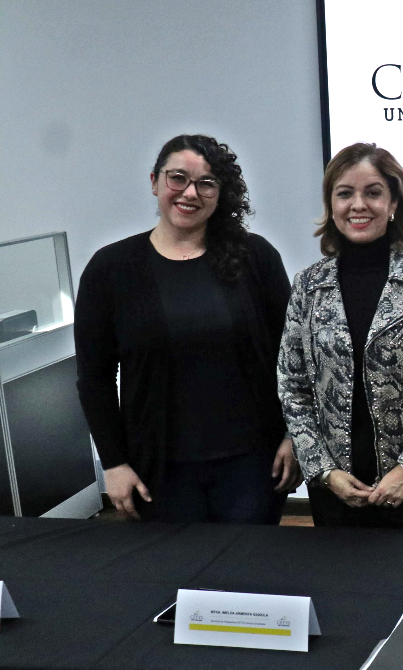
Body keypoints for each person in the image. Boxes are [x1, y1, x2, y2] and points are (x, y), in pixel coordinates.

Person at [74, 134, 299, 524]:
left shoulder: (256, 257)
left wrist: (294, 437)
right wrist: (114, 463)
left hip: (253, 464)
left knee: (249, 576)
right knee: (174, 579)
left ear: (220, 193)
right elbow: (94, 378)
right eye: (178, 178)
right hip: (157, 470)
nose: (189, 193)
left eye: (206, 183)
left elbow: (295, 358)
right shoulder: (111, 269)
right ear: (155, 182)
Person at [278, 143, 403, 529]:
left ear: (394, 203)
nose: (358, 204)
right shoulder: (308, 285)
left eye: (373, 192)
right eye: (345, 193)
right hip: (337, 488)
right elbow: (292, 385)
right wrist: (325, 471)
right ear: (332, 205)